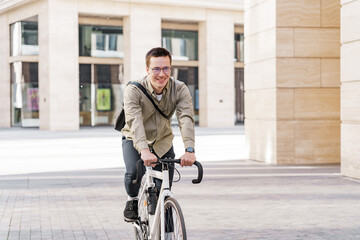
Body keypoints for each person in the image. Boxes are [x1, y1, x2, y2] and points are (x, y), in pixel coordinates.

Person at [121, 47, 196, 222]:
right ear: (147, 69)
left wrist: (189, 149)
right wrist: (144, 150)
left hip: (163, 141)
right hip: (134, 139)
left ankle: (166, 227)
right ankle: (132, 200)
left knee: (165, 189)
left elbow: (186, 118)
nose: (161, 74)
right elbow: (134, 121)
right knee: (133, 173)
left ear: (171, 68)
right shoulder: (134, 90)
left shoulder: (180, 89)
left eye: (166, 68)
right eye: (156, 69)